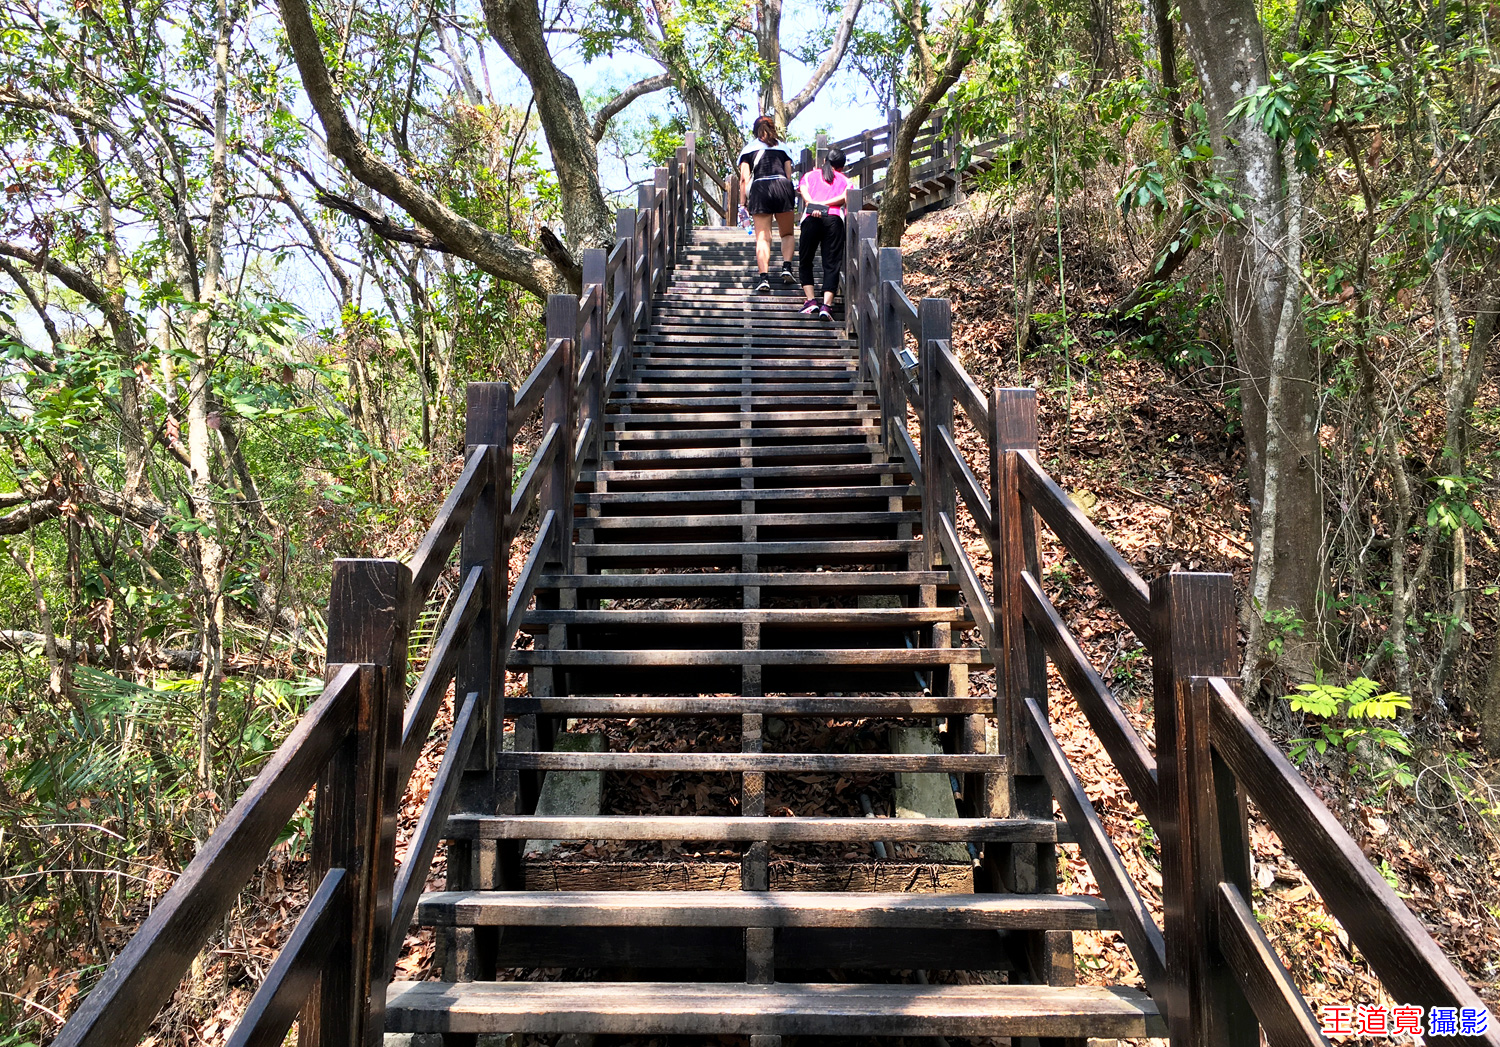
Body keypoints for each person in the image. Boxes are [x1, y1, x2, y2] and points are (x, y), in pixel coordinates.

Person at [738, 115, 797, 293]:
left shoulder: (748, 149)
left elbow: (744, 179)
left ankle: (764, 278)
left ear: (755, 131)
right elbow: (788, 175)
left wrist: (743, 203)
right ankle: (786, 267)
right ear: (773, 129)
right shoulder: (783, 148)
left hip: (760, 188)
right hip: (782, 186)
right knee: (787, 233)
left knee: (763, 237)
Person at [796, 146, 849, 321]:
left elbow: (804, 192)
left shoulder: (809, 176)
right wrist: (826, 205)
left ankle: (811, 301)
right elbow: (845, 197)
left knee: (806, 260)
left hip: (811, 218)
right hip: (834, 220)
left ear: (825, 161)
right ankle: (827, 305)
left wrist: (814, 205)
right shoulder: (845, 180)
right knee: (831, 262)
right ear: (841, 167)